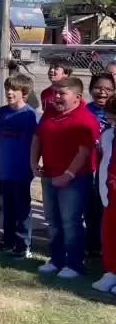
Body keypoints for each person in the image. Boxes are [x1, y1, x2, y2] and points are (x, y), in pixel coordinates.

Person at [32, 77, 100, 279]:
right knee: (53, 221)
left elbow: (84, 152)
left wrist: (67, 175)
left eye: (62, 94)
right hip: (50, 175)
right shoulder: (51, 113)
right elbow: (38, 137)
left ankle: (74, 264)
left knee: (71, 222)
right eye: (55, 93)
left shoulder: (85, 119)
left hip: (75, 179)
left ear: (77, 97)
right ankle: (57, 260)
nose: (56, 98)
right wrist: (33, 162)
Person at [0, 73, 37, 258]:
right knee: (8, 207)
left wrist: (33, 165)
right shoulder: (2, 112)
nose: (9, 92)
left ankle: (23, 244)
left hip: (21, 169)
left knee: (22, 208)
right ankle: (8, 240)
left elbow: (36, 142)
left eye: (14, 90)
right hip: (6, 169)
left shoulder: (29, 114)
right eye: (7, 89)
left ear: (24, 92)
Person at [86, 74, 115, 258]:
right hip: (90, 166)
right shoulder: (85, 111)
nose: (102, 92)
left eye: (108, 89)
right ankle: (93, 244)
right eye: (98, 87)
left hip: (110, 168)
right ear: (90, 89)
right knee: (92, 206)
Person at [93, 97, 116, 292]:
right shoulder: (108, 135)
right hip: (109, 193)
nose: (111, 121)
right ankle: (110, 272)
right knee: (109, 234)